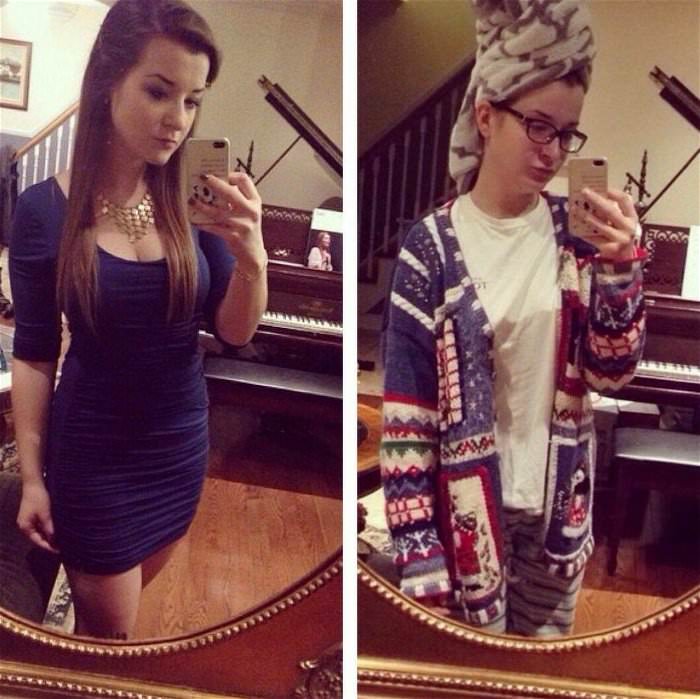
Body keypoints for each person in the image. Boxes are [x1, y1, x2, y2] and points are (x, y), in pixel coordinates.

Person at [381, 0, 646, 637]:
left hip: (559, 522)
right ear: (485, 115)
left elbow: (611, 375)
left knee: (534, 679)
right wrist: (419, 552)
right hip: (469, 525)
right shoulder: (431, 248)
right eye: (538, 127)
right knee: (472, 676)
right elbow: (408, 417)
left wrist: (621, 269)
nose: (553, 152)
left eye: (568, 133)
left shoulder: (576, 237)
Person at [10, 0, 267, 640]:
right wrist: (33, 480)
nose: (177, 118)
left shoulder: (192, 203)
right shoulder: (44, 210)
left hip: (179, 448)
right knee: (116, 642)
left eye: (192, 100)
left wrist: (252, 259)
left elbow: (235, 331)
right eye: (159, 91)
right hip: (94, 456)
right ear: (108, 81)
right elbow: (35, 353)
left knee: (109, 637)